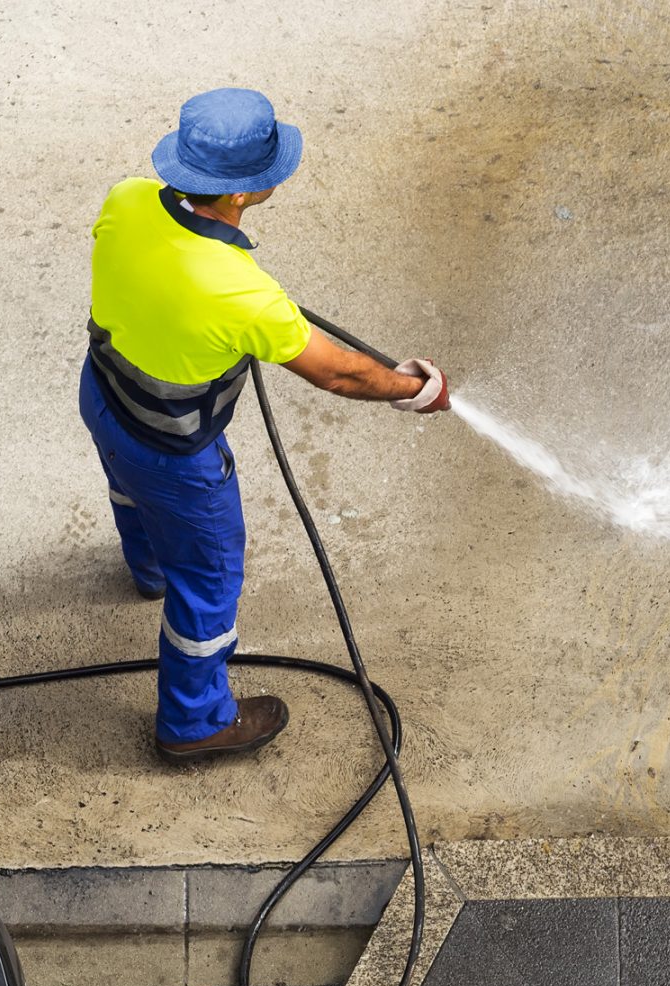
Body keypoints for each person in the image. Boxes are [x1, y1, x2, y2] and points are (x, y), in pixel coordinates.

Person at [80, 87, 450, 764]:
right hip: (177, 453)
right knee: (211, 580)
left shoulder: (127, 197)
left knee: (129, 489)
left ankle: (147, 568)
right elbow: (340, 374)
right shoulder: (247, 296)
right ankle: (192, 724)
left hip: (105, 398)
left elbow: (163, 271)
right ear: (243, 193)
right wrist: (415, 389)